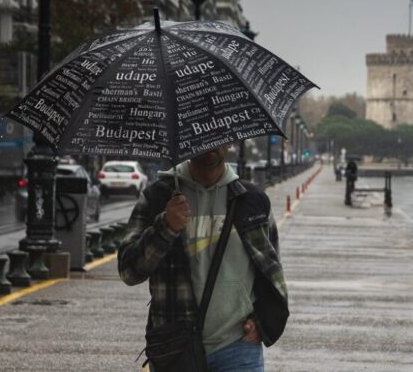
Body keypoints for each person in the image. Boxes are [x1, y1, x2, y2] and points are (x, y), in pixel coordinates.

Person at [118, 143, 288, 372]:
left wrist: (264, 322)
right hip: (174, 347)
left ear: (229, 142)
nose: (211, 145)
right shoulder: (157, 197)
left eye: (219, 138)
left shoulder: (253, 201)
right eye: (204, 139)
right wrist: (165, 227)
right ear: (187, 140)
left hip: (238, 347)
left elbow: (272, 271)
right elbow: (128, 271)